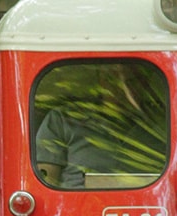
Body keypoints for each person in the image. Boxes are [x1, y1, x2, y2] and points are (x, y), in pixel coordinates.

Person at [35, 63, 168, 189]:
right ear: (101, 80)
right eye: (111, 79)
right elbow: (44, 183)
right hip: (76, 208)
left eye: (132, 81)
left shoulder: (164, 126)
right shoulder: (64, 119)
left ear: (145, 83)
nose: (121, 88)